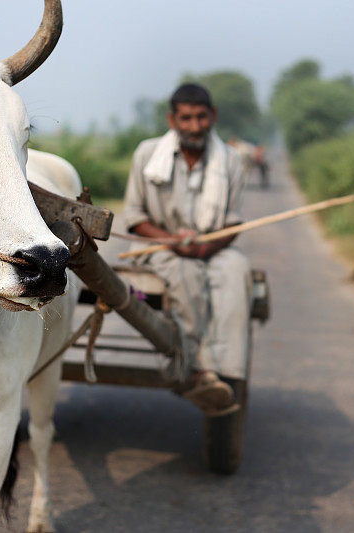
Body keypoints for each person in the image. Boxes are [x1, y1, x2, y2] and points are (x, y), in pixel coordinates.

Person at [123, 83, 251, 416]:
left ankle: (227, 374)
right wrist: (171, 241)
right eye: (186, 118)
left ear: (213, 116)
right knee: (186, 273)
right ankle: (194, 369)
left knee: (236, 272)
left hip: (213, 247)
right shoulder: (147, 154)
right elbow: (135, 219)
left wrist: (205, 247)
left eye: (201, 117)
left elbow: (232, 225)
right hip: (160, 246)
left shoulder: (232, 161)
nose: (195, 127)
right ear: (172, 119)